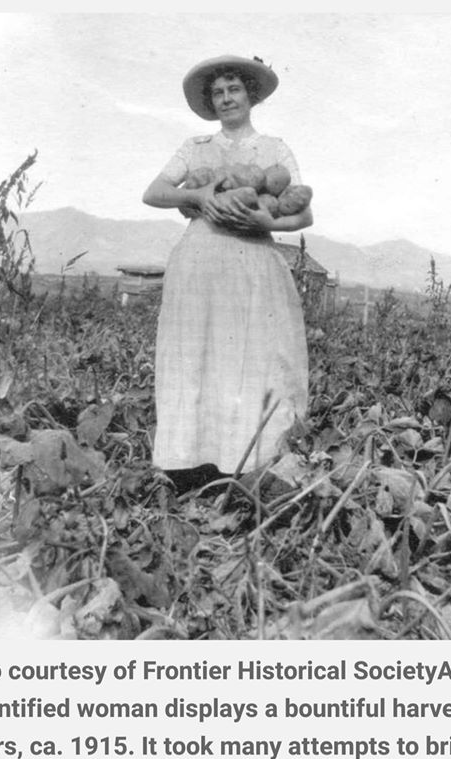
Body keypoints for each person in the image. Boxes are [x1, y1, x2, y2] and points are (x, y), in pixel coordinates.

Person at [142, 55, 312, 494]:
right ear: (209, 102)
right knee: (198, 351)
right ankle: (190, 462)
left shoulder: (273, 149)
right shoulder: (195, 148)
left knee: (253, 355)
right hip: (200, 262)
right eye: (217, 93)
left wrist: (263, 223)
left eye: (233, 89)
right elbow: (154, 192)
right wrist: (197, 194)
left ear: (249, 95)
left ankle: (250, 462)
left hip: (253, 259)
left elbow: (303, 213)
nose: (226, 99)